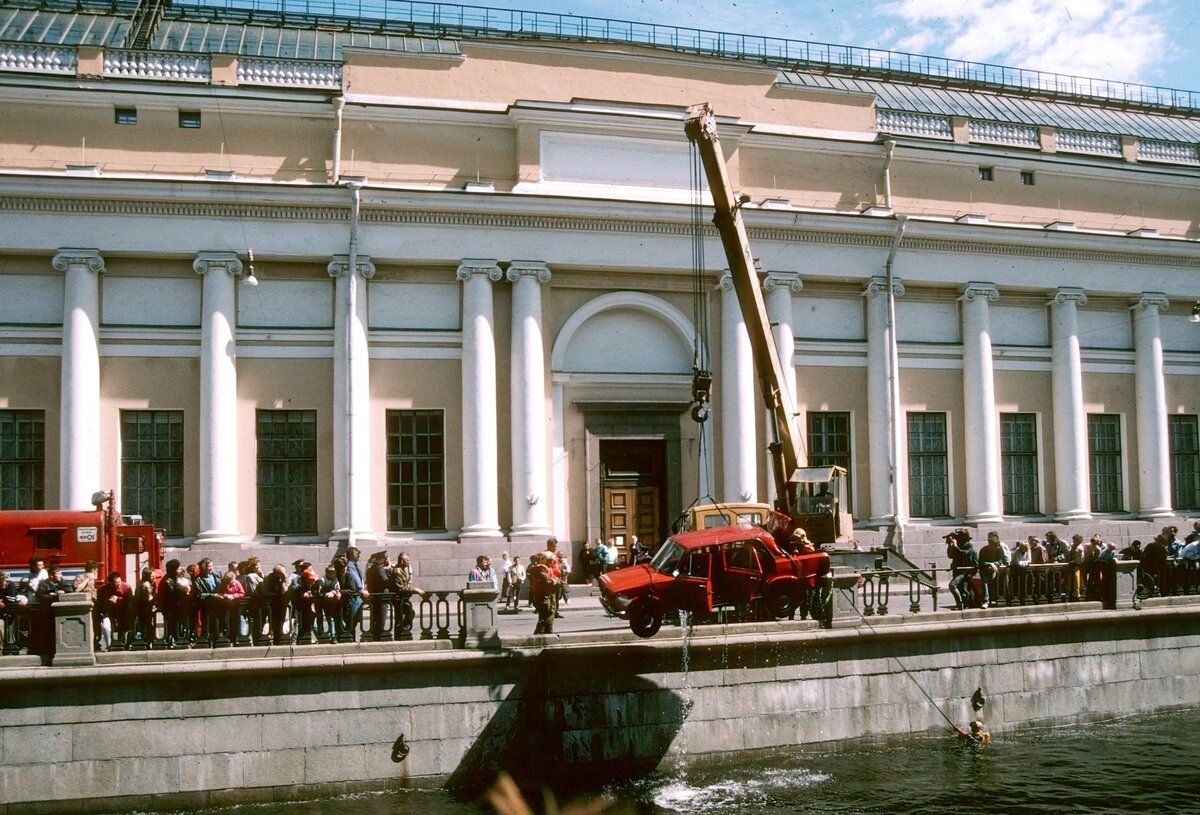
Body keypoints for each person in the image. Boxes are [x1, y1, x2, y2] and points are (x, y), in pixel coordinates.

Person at [389, 551, 425, 637]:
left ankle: (401, 632)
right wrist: (415, 590)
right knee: (407, 614)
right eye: (407, 560)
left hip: (403, 598)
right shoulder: (397, 571)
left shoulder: (403, 569)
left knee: (404, 615)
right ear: (402, 561)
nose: (409, 562)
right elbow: (401, 588)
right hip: (398, 598)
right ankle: (400, 632)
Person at [95, 571, 132, 651]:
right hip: (109, 612)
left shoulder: (126, 587)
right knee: (106, 626)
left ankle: (122, 643)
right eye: (116, 582)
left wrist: (118, 600)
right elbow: (100, 603)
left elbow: (130, 601)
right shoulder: (103, 590)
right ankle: (109, 645)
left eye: (119, 581)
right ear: (110, 583)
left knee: (124, 626)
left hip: (123, 612)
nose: (118, 584)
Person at [945, 530, 978, 610]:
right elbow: (950, 555)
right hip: (957, 570)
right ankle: (962, 605)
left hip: (965, 571)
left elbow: (963, 554)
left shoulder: (969, 545)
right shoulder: (957, 545)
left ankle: (961, 604)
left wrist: (956, 546)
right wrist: (950, 545)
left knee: (952, 585)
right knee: (961, 589)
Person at [528, 553, 558, 635]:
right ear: (542, 560)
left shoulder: (549, 568)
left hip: (549, 593)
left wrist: (555, 580)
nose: (550, 562)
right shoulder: (540, 568)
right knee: (545, 612)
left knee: (551, 612)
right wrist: (555, 581)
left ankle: (548, 632)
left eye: (552, 560)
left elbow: (556, 578)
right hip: (542, 594)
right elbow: (547, 581)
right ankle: (539, 633)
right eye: (548, 560)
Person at [977, 531, 1009, 608]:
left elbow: (1000, 561)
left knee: (993, 583)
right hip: (984, 569)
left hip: (994, 569)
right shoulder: (984, 549)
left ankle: (993, 599)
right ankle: (986, 601)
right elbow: (981, 561)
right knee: (985, 583)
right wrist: (990, 564)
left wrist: (994, 564)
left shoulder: (999, 549)